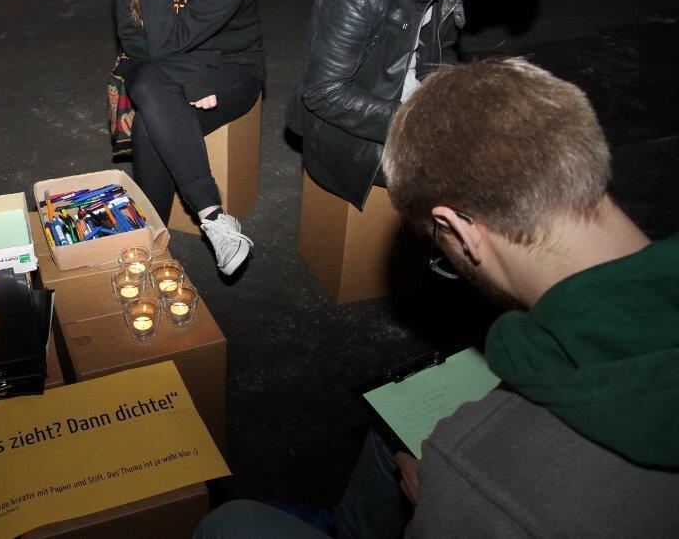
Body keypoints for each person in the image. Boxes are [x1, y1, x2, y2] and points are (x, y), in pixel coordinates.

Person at [195, 59, 679, 537]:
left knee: (230, 523)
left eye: (438, 246)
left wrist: (435, 507)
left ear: (461, 231)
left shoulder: (470, 475)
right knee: (390, 440)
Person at [287, 0, 545, 211]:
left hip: (404, 105)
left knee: (513, 141)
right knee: (483, 181)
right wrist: (422, 122)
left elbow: (440, 50)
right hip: (353, 139)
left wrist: (457, 100)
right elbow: (323, 93)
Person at [112, 0, 264, 276]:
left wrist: (199, 75)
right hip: (167, 71)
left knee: (149, 96)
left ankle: (149, 242)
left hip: (231, 68)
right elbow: (137, 43)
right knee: (147, 86)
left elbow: (169, 43)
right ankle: (211, 219)